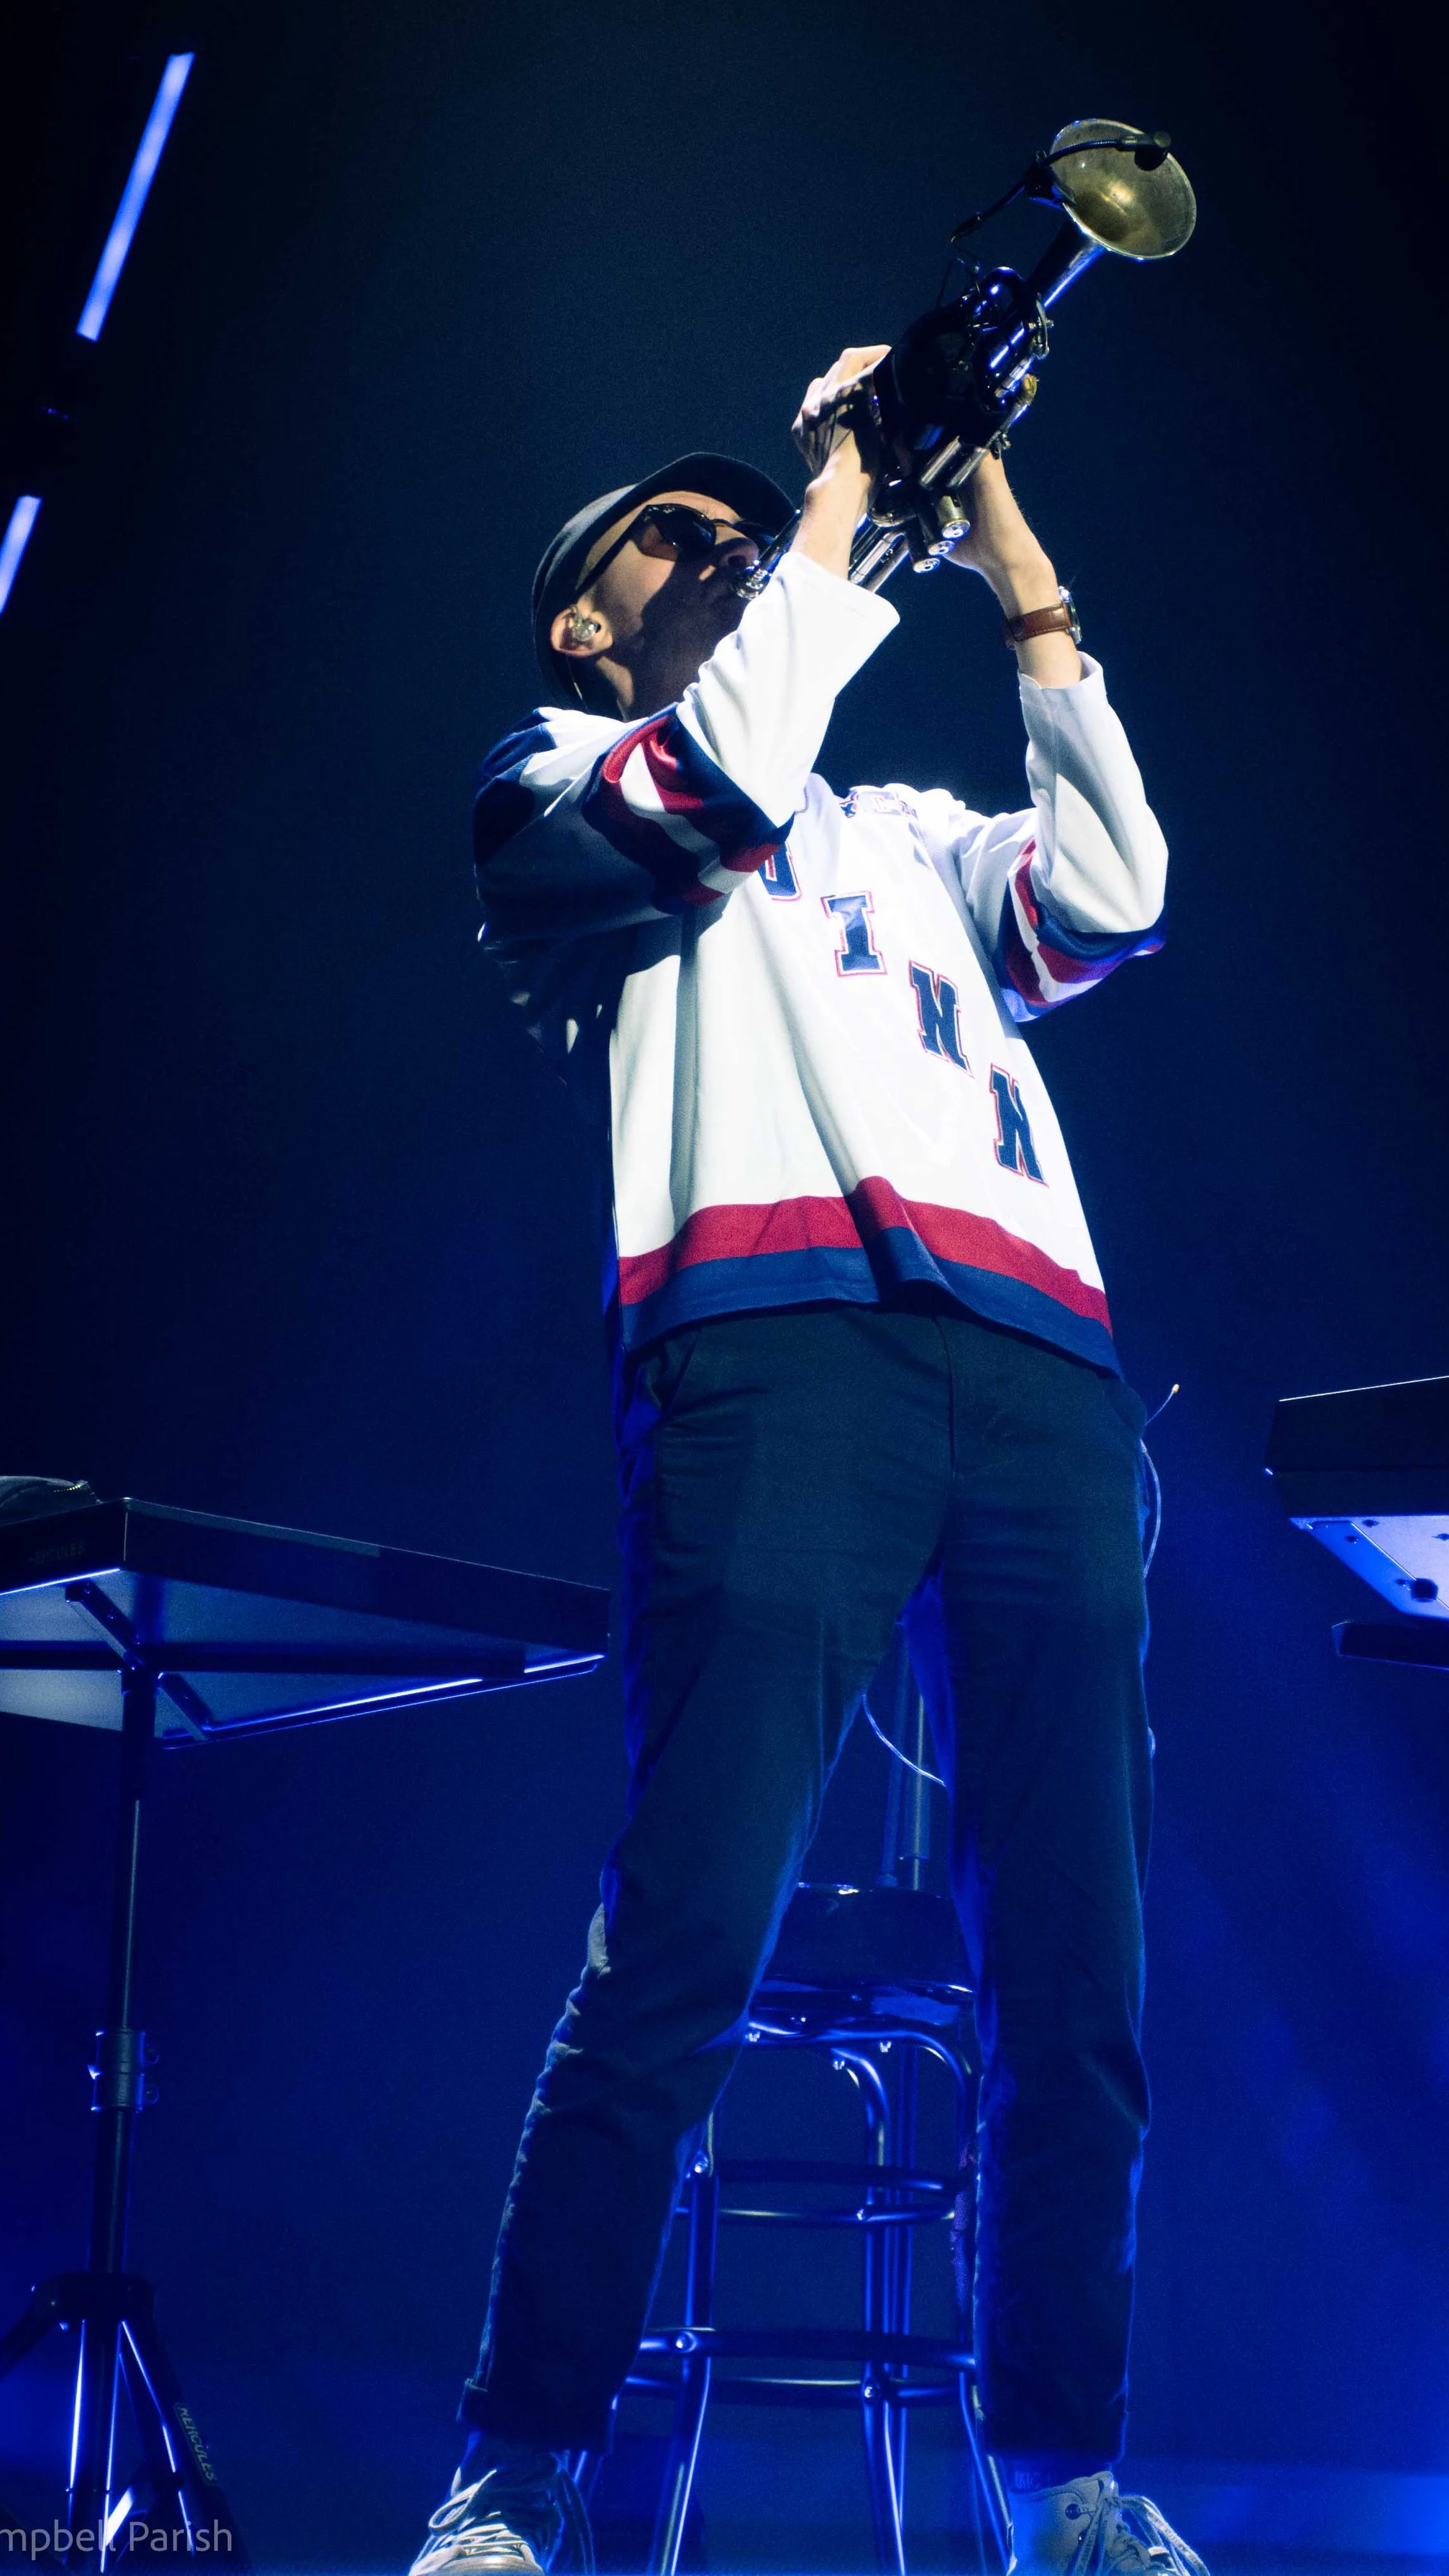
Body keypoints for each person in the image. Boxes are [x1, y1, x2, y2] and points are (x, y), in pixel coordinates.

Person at [408, 347, 1205, 2576]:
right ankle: (515, 2472)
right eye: (672, 538)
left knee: (1076, 1972)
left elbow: (1119, 889)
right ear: (582, 619)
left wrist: (1005, 537)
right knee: (682, 1936)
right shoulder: (561, 775)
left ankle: (1066, 2489)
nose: (728, 541)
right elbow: (720, 779)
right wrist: (843, 505)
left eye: (740, 523)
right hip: (770, 1358)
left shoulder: (910, 830)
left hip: (1033, 1369)